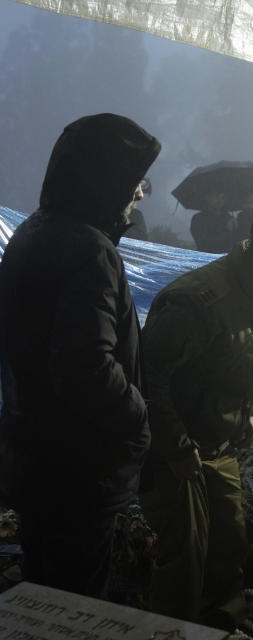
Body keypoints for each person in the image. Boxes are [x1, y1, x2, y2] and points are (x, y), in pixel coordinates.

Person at [140, 206, 253, 628]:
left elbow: (239, 365)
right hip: (175, 450)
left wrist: (245, 415)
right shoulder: (198, 302)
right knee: (185, 555)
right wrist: (177, 446)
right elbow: (150, 380)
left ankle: (225, 625)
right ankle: (175, 631)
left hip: (220, 442)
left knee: (228, 541)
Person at [0, 113, 160, 598]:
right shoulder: (90, 250)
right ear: (104, 178)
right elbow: (84, 364)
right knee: (76, 602)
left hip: (33, 455)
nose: (139, 193)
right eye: (134, 181)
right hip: (79, 465)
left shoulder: (33, 233)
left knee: (42, 593)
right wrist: (137, 417)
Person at [125, 177, 152, 241]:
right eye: (135, 191)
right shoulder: (136, 215)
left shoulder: (136, 215)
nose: (140, 196)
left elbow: (142, 240)